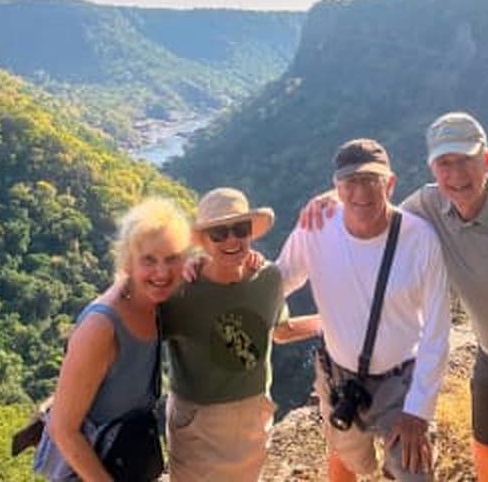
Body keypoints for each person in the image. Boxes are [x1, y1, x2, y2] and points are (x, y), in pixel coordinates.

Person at [302, 113, 488, 482]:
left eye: (466, 160)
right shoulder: (428, 208)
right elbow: (376, 211)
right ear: (432, 168)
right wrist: (331, 197)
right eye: (445, 163)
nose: (456, 174)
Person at [279, 139, 451, 482]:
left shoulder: (419, 239)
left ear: (390, 183)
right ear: (337, 188)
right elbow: (278, 281)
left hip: (400, 381)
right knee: (350, 461)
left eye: (371, 180)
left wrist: (418, 412)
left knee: (414, 473)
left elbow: (437, 332)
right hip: (339, 380)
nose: (361, 192)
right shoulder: (317, 227)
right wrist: (214, 268)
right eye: (350, 182)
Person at [160, 187, 320, 482]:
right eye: (219, 233)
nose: (232, 239)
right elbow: (140, 333)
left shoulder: (267, 279)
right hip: (197, 419)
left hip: (251, 413)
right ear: (203, 241)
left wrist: (331, 321)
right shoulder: (181, 291)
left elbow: (280, 331)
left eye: (240, 229)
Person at [46, 197, 191, 482]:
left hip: (130, 458)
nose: (162, 272)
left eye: (171, 258)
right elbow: (62, 429)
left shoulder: (153, 303)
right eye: (149, 260)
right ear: (128, 261)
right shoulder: (101, 327)